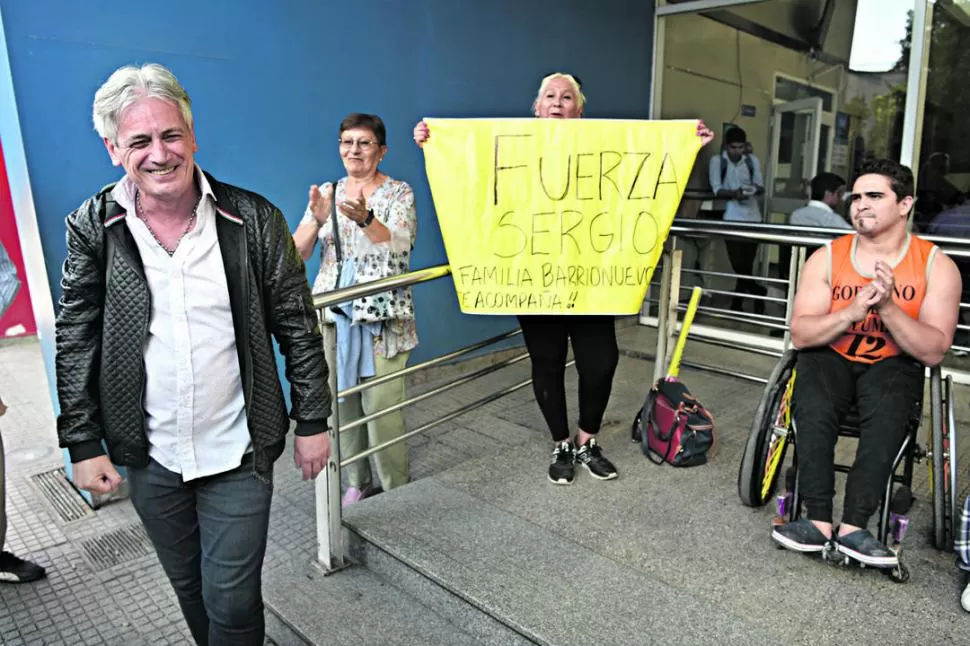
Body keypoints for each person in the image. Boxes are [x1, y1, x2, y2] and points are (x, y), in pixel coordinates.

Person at [54, 63, 332, 645]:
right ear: (112, 149)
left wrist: (311, 419)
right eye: (139, 141)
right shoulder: (93, 227)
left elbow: (296, 323)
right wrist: (83, 442)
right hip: (149, 453)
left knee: (231, 598)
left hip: (238, 448)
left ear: (193, 134)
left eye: (171, 134)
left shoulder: (253, 219)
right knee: (190, 588)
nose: (160, 153)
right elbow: (76, 332)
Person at [413, 72, 715, 485]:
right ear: (536, 108)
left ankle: (587, 440)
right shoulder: (506, 148)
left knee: (601, 363)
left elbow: (646, 171)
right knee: (548, 363)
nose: (557, 102)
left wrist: (686, 141)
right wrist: (435, 140)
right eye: (550, 96)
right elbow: (469, 171)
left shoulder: (605, 148)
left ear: (580, 110)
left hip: (591, 283)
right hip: (534, 281)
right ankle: (561, 443)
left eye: (566, 97)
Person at [772, 158, 961, 567]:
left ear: (905, 204)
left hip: (894, 361)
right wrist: (849, 313)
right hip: (833, 354)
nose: (861, 205)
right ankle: (817, 519)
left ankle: (855, 526)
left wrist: (890, 308)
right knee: (813, 388)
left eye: (875, 195)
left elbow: (933, 350)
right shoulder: (826, 258)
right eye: (856, 196)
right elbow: (801, 333)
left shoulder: (936, 266)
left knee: (890, 407)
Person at [293, 113, 417, 507]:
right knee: (342, 405)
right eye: (347, 142)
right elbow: (298, 253)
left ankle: (395, 486)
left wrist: (365, 218)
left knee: (382, 406)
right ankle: (357, 480)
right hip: (334, 316)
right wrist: (316, 217)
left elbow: (398, 245)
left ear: (381, 151)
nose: (354, 150)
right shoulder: (328, 192)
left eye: (364, 143)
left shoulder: (398, 193)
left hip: (382, 317)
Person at [708, 126, 768, 313]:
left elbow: (761, 187)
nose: (737, 151)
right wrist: (736, 194)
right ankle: (758, 291)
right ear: (726, 146)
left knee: (746, 264)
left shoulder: (751, 161)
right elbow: (716, 189)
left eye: (740, 147)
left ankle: (738, 303)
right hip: (732, 218)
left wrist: (752, 190)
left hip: (753, 218)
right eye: (733, 147)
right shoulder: (718, 162)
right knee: (738, 264)